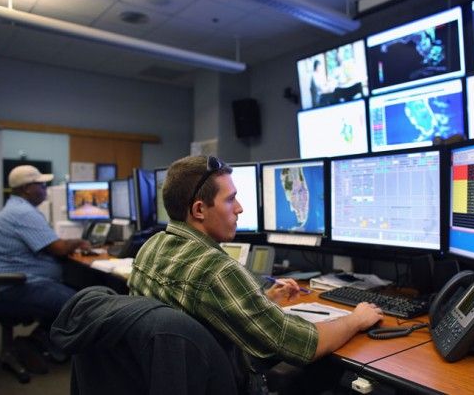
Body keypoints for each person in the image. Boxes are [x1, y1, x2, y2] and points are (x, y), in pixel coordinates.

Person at [128, 155, 383, 393]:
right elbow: (302, 345)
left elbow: (199, 313)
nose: (239, 208)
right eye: (230, 199)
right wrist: (357, 319)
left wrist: (264, 301)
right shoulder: (217, 269)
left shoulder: (151, 247)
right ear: (198, 210)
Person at [0, 165, 91, 367]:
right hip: (7, 285)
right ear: (28, 188)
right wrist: (78, 242)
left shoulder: (15, 208)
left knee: (72, 292)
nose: (45, 188)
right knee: (77, 303)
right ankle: (38, 343)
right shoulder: (22, 213)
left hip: (7, 282)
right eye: (41, 184)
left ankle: (38, 342)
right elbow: (58, 248)